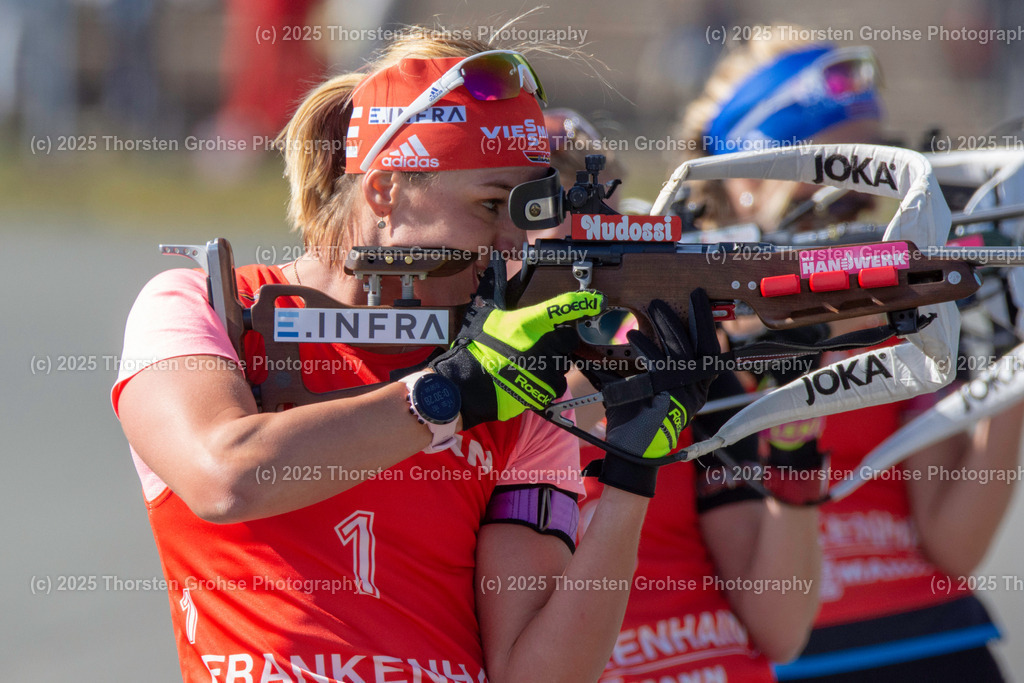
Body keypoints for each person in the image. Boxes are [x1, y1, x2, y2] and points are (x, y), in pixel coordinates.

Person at [113, 31, 722, 683]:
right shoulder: (204, 304)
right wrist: (448, 395)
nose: (516, 242)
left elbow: (536, 674)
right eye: (491, 206)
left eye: (527, 210)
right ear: (384, 193)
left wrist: (631, 477)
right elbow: (225, 476)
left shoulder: (511, 375)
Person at [677, 28, 1023, 681]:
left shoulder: (902, 305)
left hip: (932, 640)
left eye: (874, 177)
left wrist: (1014, 357)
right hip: (781, 649)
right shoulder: (682, 325)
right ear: (745, 178)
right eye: (829, 177)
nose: (859, 207)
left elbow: (954, 543)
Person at [541, 112, 821, 681]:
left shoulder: (682, 365)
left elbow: (781, 629)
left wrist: (797, 426)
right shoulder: (451, 390)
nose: (573, 259)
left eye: (596, 230)